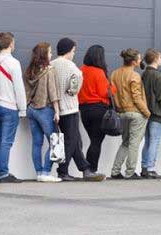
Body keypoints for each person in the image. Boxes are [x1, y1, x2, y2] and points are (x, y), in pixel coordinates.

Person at [52, 38, 102, 181]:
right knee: (71, 140)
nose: (74, 54)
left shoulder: (51, 65)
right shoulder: (72, 67)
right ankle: (63, 171)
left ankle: (85, 169)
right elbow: (73, 90)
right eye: (73, 51)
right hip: (69, 108)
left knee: (74, 140)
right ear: (68, 50)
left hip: (55, 109)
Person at [0, 32, 26, 183]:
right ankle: (4, 173)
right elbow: (19, 87)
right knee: (6, 142)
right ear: (11, 44)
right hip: (9, 107)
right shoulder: (13, 63)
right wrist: (22, 109)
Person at [110, 48, 151, 180]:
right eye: (139, 59)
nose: (140, 61)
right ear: (134, 62)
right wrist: (147, 112)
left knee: (126, 142)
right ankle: (130, 171)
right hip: (135, 113)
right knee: (134, 143)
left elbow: (113, 94)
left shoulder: (114, 74)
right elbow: (137, 98)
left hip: (121, 113)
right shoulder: (135, 76)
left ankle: (115, 171)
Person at [23, 42, 61, 182]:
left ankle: (39, 173)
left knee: (37, 143)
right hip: (45, 109)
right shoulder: (49, 70)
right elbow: (53, 93)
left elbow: (26, 91)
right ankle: (46, 172)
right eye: (50, 53)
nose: (52, 55)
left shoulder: (30, 71)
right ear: (45, 55)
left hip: (31, 109)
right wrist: (57, 111)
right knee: (55, 141)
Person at [79, 45, 116, 174]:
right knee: (96, 142)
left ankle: (88, 169)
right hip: (98, 110)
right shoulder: (98, 72)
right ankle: (91, 170)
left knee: (93, 140)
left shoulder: (81, 70)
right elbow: (105, 92)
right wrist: (113, 87)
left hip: (83, 110)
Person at [141, 48, 161, 179]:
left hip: (145, 113)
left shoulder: (144, 74)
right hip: (157, 113)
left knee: (147, 141)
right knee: (154, 141)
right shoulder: (159, 76)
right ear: (156, 59)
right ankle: (151, 168)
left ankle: (144, 167)